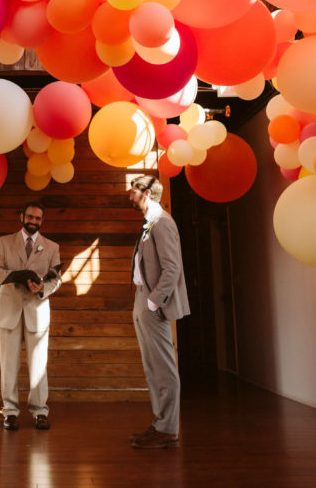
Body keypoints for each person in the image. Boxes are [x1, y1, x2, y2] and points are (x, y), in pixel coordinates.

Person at [0, 201, 62, 431]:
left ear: (42, 221)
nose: (33, 221)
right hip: (9, 310)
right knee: (8, 364)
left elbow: (56, 279)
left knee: (39, 366)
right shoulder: (5, 242)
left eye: (38, 219)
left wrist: (43, 289)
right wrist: (19, 276)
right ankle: (10, 412)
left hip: (36, 311)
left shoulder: (51, 247)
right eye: (30, 217)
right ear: (21, 217)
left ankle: (40, 411)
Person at [127, 175, 190, 449]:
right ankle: (160, 422)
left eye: (134, 192)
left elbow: (172, 268)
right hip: (142, 299)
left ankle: (168, 429)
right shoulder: (150, 222)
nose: (130, 196)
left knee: (164, 367)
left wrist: (154, 301)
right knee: (152, 366)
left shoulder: (163, 223)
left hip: (153, 302)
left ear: (147, 193)